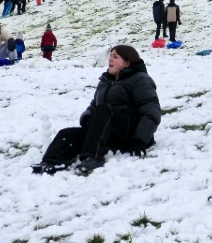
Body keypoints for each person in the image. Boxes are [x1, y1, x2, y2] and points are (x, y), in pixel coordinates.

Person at [32, 45, 161, 175]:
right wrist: (88, 119)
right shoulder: (106, 81)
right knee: (67, 134)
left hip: (129, 134)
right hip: (106, 131)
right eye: (110, 56)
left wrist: (139, 141)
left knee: (104, 110)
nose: (110, 59)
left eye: (115, 57)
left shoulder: (140, 80)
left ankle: (92, 157)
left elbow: (151, 112)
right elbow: (94, 105)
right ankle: (51, 162)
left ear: (127, 63)